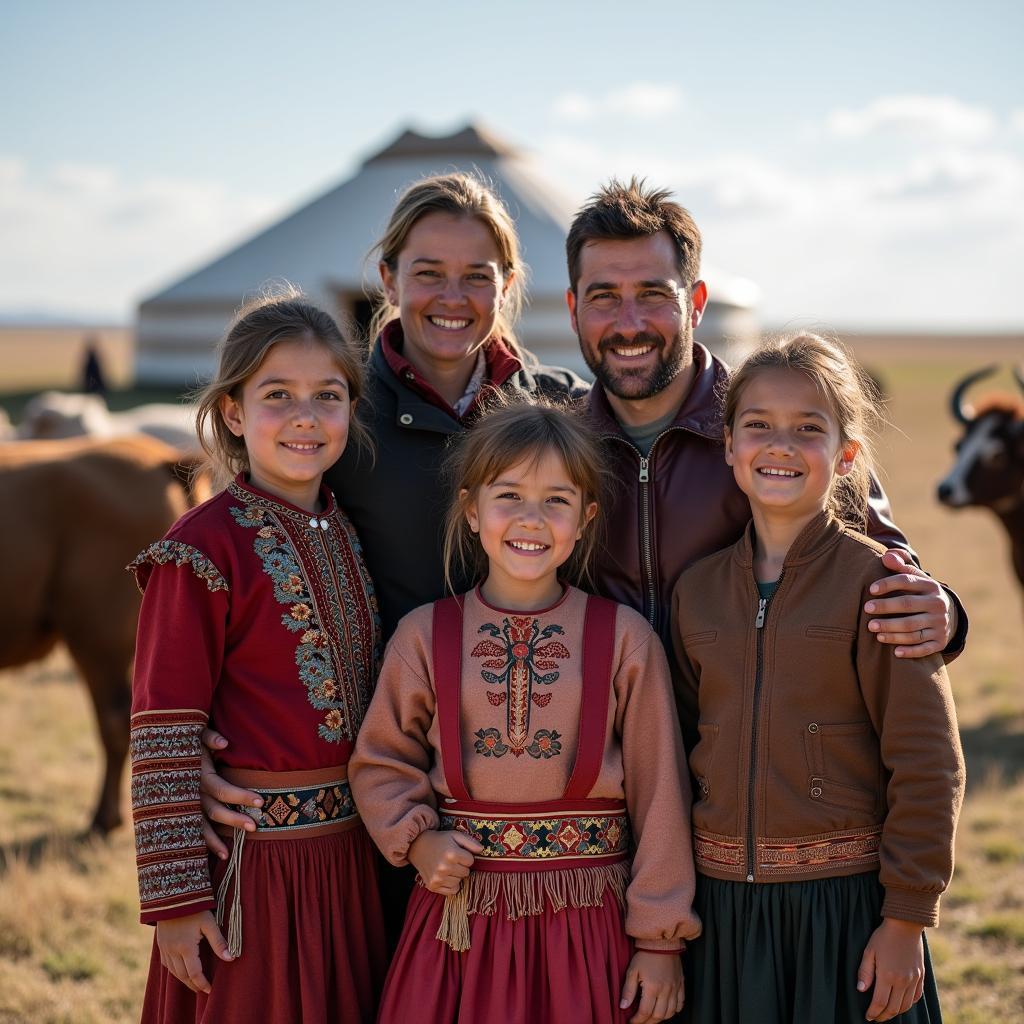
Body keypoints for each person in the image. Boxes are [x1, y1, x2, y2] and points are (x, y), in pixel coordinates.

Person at [350, 401, 700, 1024]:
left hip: (587, 921)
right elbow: (381, 760)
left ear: (586, 517)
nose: (531, 519)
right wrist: (418, 840)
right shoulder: (424, 636)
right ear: (471, 508)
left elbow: (660, 794)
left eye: (557, 500)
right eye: (508, 494)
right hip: (459, 917)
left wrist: (658, 937)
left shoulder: (624, 639)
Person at [670, 334, 965, 1024]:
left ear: (846, 456)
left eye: (809, 429)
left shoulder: (878, 586)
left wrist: (906, 920)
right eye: (758, 426)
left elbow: (928, 764)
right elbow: (683, 746)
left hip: (845, 909)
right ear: (729, 447)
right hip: (724, 911)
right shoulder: (698, 593)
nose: (781, 444)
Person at [566, 178, 966, 661]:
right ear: (573, 309)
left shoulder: (780, 431)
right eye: (603, 297)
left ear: (695, 304)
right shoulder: (557, 452)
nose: (628, 323)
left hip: (754, 731)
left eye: (653, 294)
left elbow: (894, 582)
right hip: (614, 732)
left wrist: (943, 611)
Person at [128, 291, 387, 1023]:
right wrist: (176, 902)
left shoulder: (346, 529)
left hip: (346, 861)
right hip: (252, 870)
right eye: (278, 395)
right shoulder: (200, 550)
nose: (305, 416)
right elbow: (162, 727)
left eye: (327, 396)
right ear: (235, 413)